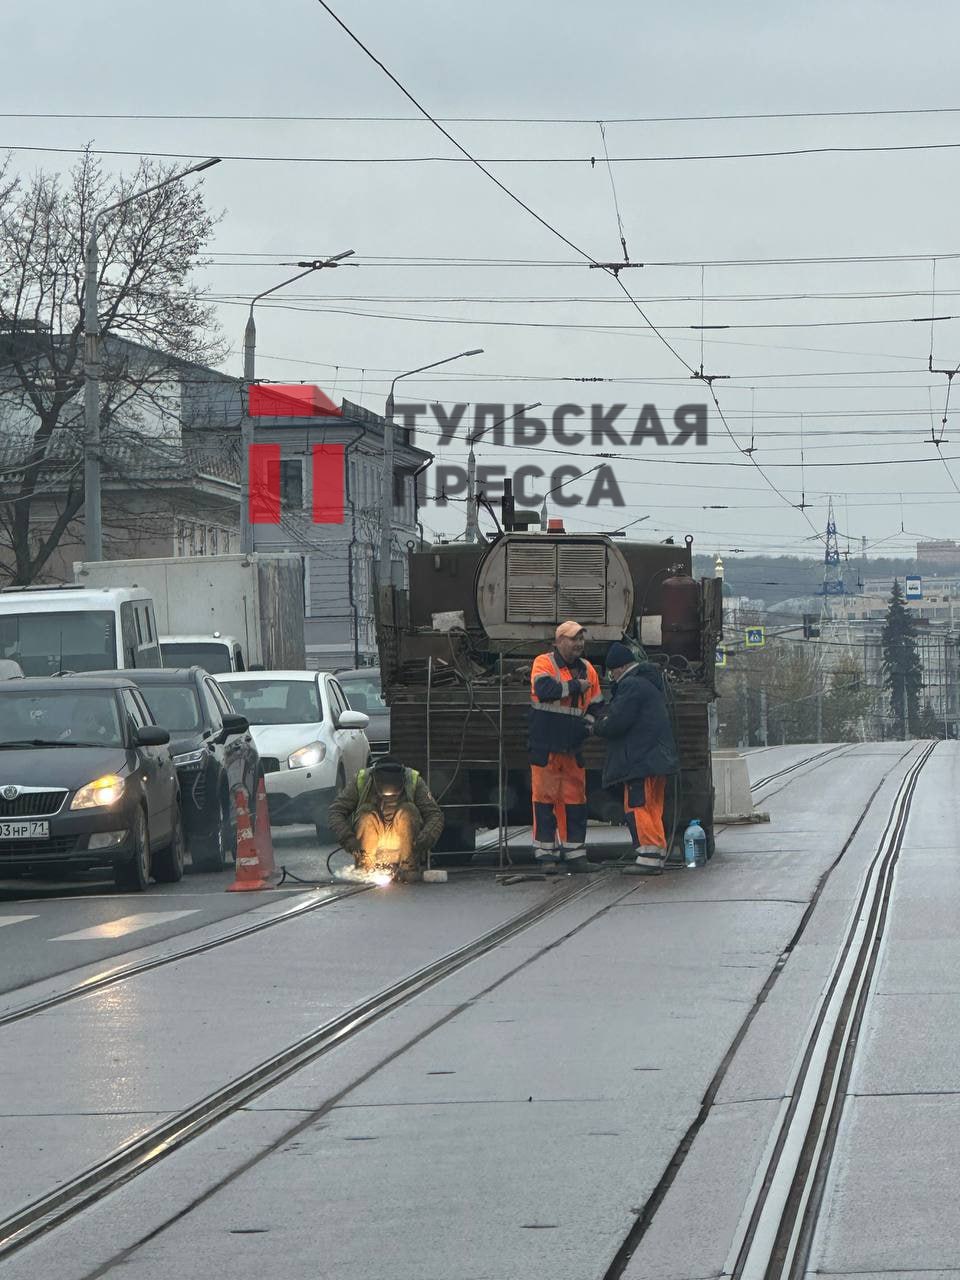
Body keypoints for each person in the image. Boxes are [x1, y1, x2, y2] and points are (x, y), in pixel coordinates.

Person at [594, 641, 679, 875]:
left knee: (637, 806)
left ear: (619, 668)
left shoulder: (631, 685)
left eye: (612, 672)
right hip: (655, 760)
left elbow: (617, 722)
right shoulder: (649, 683)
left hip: (639, 762)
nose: (612, 677)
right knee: (652, 807)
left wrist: (597, 726)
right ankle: (657, 850)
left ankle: (648, 856)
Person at [528, 620, 604, 873]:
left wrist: (588, 727)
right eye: (573, 639)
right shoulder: (544, 663)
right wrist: (573, 686)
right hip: (546, 746)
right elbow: (543, 689)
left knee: (575, 802)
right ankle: (546, 856)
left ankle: (575, 854)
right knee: (544, 801)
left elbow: (596, 704)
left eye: (581, 639)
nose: (578, 644)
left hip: (573, 747)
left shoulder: (588, 669)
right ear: (559, 641)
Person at [327, 758, 444, 881]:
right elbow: (335, 811)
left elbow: (434, 814)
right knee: (366, 813)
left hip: (403, 841)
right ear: (375, 779)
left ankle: (408, 867)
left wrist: (427, 836)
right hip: (371, 839)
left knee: (408, 810)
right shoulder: (362, 779)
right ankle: (366, 867)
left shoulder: (413, 780)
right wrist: (348, 838)